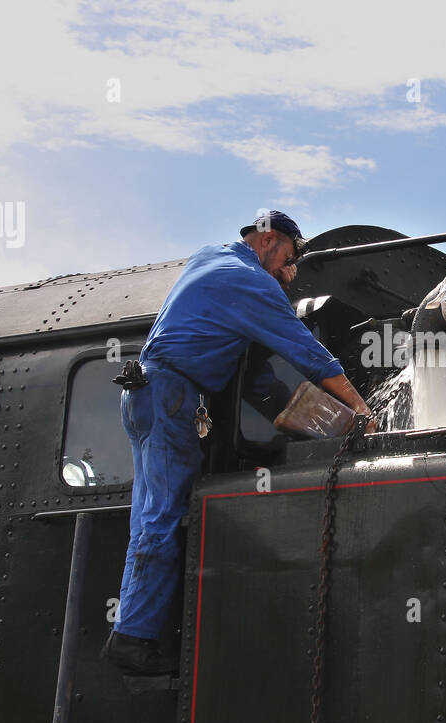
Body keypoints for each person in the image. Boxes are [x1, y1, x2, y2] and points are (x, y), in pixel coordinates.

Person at [102, 210, 373, 675]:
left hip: (147, 392)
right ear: (269, 239)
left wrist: (296, 419)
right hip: (173, 396)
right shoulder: (249, 281)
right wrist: (361, 409)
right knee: (163, 517)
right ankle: (133, 640)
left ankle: (133, 629)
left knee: (150, 516)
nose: (293, 267)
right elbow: (308, 353)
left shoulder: (210, 259)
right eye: (292, 253)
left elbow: (255, 376)